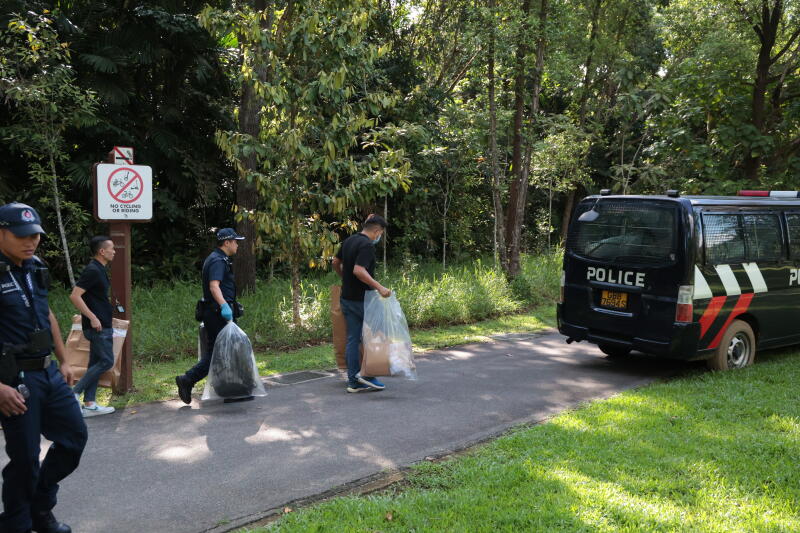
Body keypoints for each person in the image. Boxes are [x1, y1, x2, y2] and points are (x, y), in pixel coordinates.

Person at [0, 202, 87, 533]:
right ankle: (18, 525)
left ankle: (40, 506)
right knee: (24, 460)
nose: (31, 241)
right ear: (1, 233)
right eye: (22, 236)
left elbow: (46, 313)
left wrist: (64, 360)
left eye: (35, 235)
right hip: (14, 379)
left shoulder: (34, 267)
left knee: (74, 438)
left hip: (48, 372)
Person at [175, 228, 244, 404]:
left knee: (225, 351)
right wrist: (224, 306)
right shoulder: (217, 261)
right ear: (227, 242)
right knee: (220, 352)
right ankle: (188, 379)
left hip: (216, 311)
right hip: (217, 313)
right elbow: (214, 286)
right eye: (235, 241)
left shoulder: (217, 259)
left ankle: (229, 390)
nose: (237, 244)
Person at [332, 214, 392, 393]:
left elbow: (335, 262)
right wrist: (380, 287)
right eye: (380, 233)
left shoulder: (349, 240)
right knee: (374, 336)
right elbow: (359, 270)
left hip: (347, 297)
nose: (379, 237)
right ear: (376, 231)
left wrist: (344, 277)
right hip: (363, 299)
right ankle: (367, 375)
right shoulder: (366, 245)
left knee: (353, 338)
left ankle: (353, 381)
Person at [69, 235, 116, 417]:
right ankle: (73, 394)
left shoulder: (99, 269)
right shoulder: (93, 270)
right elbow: (75, 295)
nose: (114, 251)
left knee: (95, 363)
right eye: (111, 248)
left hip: (102, 324)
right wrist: (93, 317)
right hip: (98, 326)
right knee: (106, 361)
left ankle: (89, 404)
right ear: (101, 251)